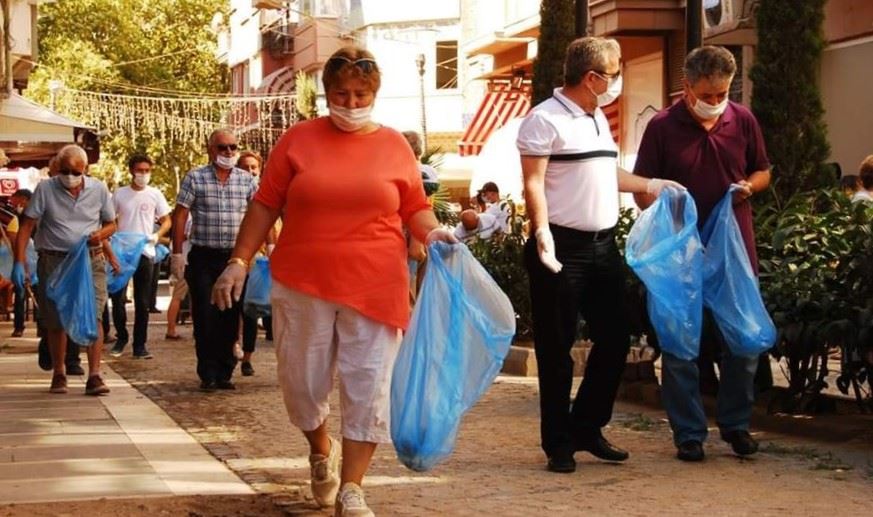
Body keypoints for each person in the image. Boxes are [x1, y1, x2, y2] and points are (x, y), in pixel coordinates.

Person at [210, 45, 457, 516]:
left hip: (376, 284)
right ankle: (320, 447)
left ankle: (353, 488)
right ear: (326, 94)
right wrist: (239, 260)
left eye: (360, 93)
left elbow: (414, 208)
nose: (350, 102)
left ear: (375, 93)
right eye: (340, 93)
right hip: (303, 281)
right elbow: (265, 204)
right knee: (302, 384)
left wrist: (435, 231)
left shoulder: (394, 146)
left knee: (369, 385)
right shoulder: (297, 141)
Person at [517, 36, 683, 474]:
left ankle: (587, 426)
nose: (617, 81)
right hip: (561, 248)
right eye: (614, 73)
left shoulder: (595, 118)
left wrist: (649, 184)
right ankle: (558, 442)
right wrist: (541, 232)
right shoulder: (543, 120)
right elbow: (533, 182)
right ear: (592, 78)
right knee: (557, 348)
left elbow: (604, 171)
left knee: (615, 337)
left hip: (603, 246)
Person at [633, 45, 772, 462]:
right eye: (707, 95)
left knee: (744, 342)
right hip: (679, 253)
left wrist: (750, 186)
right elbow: (641, 189)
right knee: (678, 345)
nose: (715, 103)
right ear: (687, 86)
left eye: (722, 94)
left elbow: (762, 169)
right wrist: (660, 199)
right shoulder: (662, 126)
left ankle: (735, 424)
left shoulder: (742, 119)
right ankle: (689, 434)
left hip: (733, 250)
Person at [12, 144, 116, 395]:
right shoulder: (46, 189)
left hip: (90, 260)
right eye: (65, 170)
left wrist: (99, 235)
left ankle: (94, 375)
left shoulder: (99, 189)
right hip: (54, 261)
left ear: (85, 170)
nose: (70, 176)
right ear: (57, 169)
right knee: (55, 318)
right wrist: (19, 261)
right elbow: (26, 226)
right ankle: (59, 373)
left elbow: (112, 223)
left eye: (75, 171)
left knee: (95, 314)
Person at [172, 129, 256, 392]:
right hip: (204, 258)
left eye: (233, 147)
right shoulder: (195, 178)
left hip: (234, 259)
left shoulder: (247, 181)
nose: (229, 153)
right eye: (222, 148)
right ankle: (207, 371)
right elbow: (180, 216)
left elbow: (258, 215)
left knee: (230, 315)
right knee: (206, 315)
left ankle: (225, 370)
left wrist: (267, 246)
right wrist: (177, 254)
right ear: (211, 150)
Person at [108, 154, 171, 359]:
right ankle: (121, 336)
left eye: (147, 170)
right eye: (139, 170)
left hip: (145, 251)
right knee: (117, 298)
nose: (143, 174)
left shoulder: (155, 194)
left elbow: (166, 220)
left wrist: (157, 235)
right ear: (131, 171)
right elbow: (109, 219)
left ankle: (140, 345)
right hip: (122, 251)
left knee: (142, 301)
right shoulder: (120, 194)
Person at [235, 150, 272, 376]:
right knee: (231, 310)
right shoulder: (236, 193)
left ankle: (247, 357)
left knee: (250, 311)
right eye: (245, 167)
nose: (250, 172)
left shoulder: (269, 194)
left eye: (253, 168)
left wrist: (271, 248)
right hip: (233, 258)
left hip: (257, 264)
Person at [5, 189, 31, 337]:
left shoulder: (12, 218)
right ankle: (19, 326)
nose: (13, 202)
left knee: (21, 289)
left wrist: (23, 264)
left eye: (15, 199)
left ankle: (20, 326)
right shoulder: (13, 217)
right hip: (16, 259)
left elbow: (16, 244)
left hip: (24, 258)